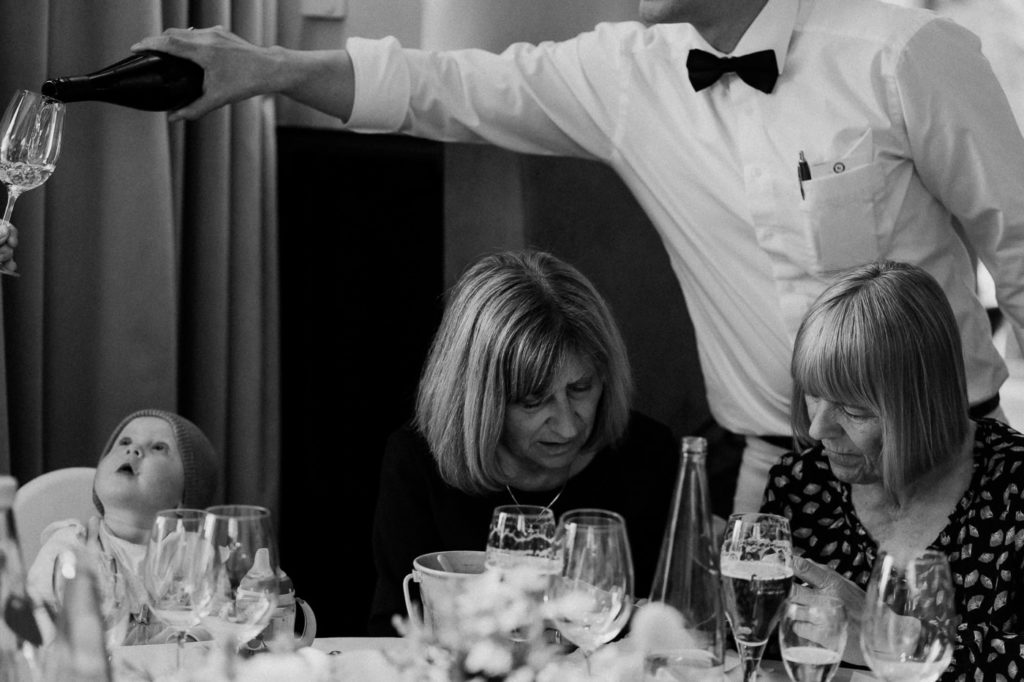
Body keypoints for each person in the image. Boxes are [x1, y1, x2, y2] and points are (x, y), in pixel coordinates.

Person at [130, 0, 1024, 515]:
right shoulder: (624, 74)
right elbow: (446, 89)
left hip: (948, 459)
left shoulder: (903, 51)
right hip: (766, 475)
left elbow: (1020, 250)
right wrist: (273, 67)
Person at [368, 250, 679, 635]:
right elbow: (394, 631)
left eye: (581, 388)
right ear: (480, 400)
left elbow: (673, 630)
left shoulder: (648, 455)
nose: (567, 427)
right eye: (533, 400)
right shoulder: (417, 464)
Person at [761, 261, 1023, 677]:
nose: (817, 428)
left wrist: (895, 639)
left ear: (924, 405)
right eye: (813, 396)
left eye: (853, 410)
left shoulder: (1014, 489)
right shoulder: (801, 485)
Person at [26, 408, 220, 648]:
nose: (133, 450)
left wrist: (184, 642)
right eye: (124, 442)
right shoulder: (70, 547)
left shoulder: (194, 555)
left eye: (158, 447)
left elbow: (216, 625)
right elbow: (35, 621)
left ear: (184, 496)